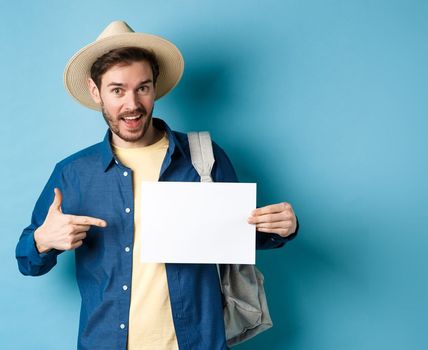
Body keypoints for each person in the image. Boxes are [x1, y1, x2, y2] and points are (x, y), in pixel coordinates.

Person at [14, 20, 298, 350]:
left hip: (196, 342)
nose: (132, 104)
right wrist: (42, 239)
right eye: (117, 90)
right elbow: (26, 261)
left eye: (142, 88)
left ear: (154, 87)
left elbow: (240, 235)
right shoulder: (73, 173)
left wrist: (282, 227)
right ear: (97, 92)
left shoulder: (204, 158)